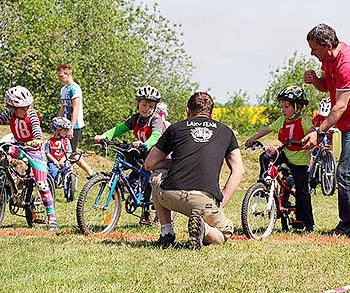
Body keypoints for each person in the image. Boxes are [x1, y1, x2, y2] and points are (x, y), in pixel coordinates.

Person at [302, 24, 350, 237]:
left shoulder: (347, 63)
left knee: (346, 172)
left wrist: (319, 131)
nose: (311, 53)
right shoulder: (328, 60)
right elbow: (329, 86)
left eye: (314, 49)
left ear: (327, 45)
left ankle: (349, 227)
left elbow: (340, 106)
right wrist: (316, 81)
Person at [144, 91, 244, 249]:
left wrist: (174, 163)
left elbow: (149, 164)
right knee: (225, 232)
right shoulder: (226, 132)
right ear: (211, 113)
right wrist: (221, 202)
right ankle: (204, 230)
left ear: (187, 112)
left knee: (157, 175)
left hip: (170, 196)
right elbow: (238, 170)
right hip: (204, 202)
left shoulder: (175, 128)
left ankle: (166, 231)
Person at [245, 85, 315, 232]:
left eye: (287, 106)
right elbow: (267, 129)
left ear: (298, 107)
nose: (283, 109)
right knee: (265, 155)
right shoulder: (282, 120)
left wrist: (311, 136)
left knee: (302, 193)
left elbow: (311, 130)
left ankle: (308, 223)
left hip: (300, 161)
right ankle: (265, 182)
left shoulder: (304, 120)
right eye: (282, 106)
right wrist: (253, 138)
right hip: (286, 154)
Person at [94, 85, 165, 226]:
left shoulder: (155, 119)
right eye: (144, 105)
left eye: (151, 106)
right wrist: (104, 136)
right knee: (127, 155)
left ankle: (146, 213)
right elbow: (119, 129)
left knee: (148, 177)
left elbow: (156, 135)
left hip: (154, 152)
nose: (147, 109)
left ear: (155, 107)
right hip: (141, 151)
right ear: (138, 104)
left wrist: (145, 143)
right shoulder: (136, 119)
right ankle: (125, 184)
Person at [0, 86, 58, 230]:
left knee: (41, 184)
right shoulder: (10, 114)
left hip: (34, 150)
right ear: (13, 107)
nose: (26, 109)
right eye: (22, 108)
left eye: (27, 106)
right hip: (18, 146)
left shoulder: (32, 115)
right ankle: (8, 182)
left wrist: (38, 140)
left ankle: (51, 217)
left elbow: (37, 128)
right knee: (2, 151)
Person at [56, 64, 96, 178]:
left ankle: (88, 172)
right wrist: (57, 122)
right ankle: (70, 175)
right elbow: (63, 107)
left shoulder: (75, 88)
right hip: (64, 125)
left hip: (75, 125)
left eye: (61, 76)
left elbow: (76, 108)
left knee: (71, 153)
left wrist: (71, 128)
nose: (59, 78)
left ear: (68, 75)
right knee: (63, 151)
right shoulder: (63, 89)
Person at [45, 117, 73, 183]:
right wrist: (55, 161)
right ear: (57, 130)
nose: (66, 132)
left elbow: (69, 152)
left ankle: (68, 188)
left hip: (63, 161)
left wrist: (62, 160)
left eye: (67, 130)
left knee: (67, 170)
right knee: (53, 172)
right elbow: (47, 153)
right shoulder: (49, 142)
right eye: (65, 130)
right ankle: (51, 186)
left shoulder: (66, 141)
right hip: (53, 162)